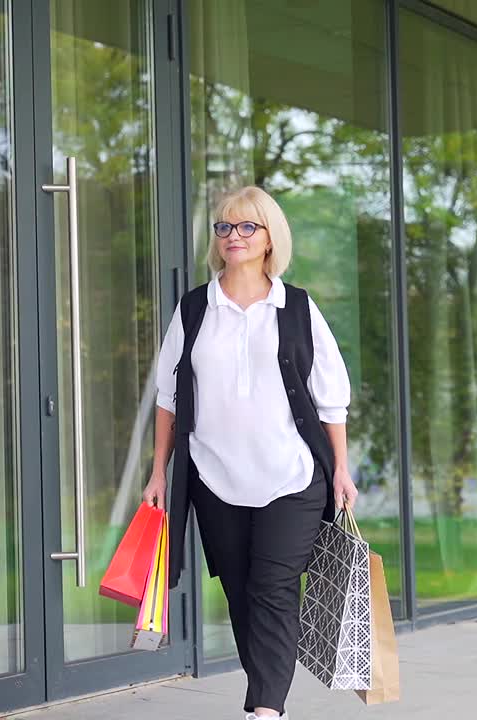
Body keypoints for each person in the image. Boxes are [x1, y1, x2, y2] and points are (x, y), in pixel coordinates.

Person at [143, 186, 356, 720]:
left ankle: (266, 710)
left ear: (268, 239)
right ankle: (261, 699)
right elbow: (169, 396)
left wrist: (342, 470)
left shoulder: (298, 308)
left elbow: (331, 396)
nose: (233, 236)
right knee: (241, 594)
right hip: (215, 477)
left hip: (291, 475)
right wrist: (157, 473)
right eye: (224, 227)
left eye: (246, 228)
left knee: (273, 587)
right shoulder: (195, 308)